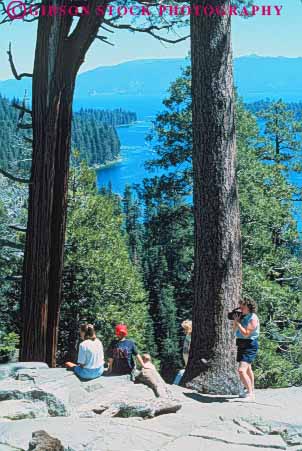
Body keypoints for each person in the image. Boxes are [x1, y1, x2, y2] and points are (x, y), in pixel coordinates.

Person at [233, 296, 260, 402]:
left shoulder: (253, 317)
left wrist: (238, 323)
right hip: (241, 344)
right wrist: (236, 322)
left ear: (248, 307)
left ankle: (250, 394)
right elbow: (234, 331)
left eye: (242, 306)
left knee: (241, 370)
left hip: (250, 344)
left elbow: (246, 333)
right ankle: (250, 390)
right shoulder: (243, 316)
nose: (240, 308)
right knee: (248, 369)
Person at [173, 319, 192, 385]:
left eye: (185, 328)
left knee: (181, 373)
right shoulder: (188, 336)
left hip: (190, 362)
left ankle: (174, 386)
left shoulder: (191, 337)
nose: (184, 330)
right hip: (187, 362)